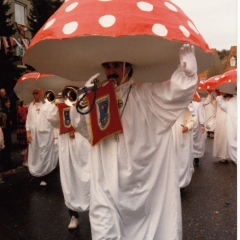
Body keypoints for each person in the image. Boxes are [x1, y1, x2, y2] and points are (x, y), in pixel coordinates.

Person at [70, 44, 198, 239]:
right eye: (107, 66)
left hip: (143, 185)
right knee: (105, 232)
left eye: (115, 66)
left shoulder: (145, 93)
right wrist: (84, 100)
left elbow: (172, 96)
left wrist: (187, 76)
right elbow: (82, 127)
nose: (110, 71)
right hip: (106, 183)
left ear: (128, 67)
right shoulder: (98, 99)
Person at [46, 99, 90, 229]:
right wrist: (55, 105)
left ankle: (92, 212)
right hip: (67, 147)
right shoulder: (60, 102)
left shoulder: (85, 100)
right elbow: (52, 120)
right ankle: (73, 216)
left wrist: (80, 104)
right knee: (70, 181)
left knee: (88, 179)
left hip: (84, 146)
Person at [26, 89, 59, 186]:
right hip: (33, 136)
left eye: (36, 93)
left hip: (45, 135)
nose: (34, 95)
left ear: (40, 94)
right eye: (33, 93)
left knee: (44, 155)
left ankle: (44, 176)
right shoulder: (31, 105)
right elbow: (28, 120)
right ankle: (36, 175)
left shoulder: (46, 105)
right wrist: (27, 132)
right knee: (35, 155)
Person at [172, 108, 195, 188]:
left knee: (181, 162)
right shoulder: (164, 106)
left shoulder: (184, 109)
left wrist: (187, 127)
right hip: (169, 141)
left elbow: (191, 121)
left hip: (181, 140)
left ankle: (180, 184)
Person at [216, 91, 237, 164]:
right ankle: (226, 156)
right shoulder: (232, 100)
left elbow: (223, 106)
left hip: (231, 124)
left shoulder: (232, 100)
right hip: (225, 123)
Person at [213, 92, 233, 163]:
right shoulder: (219, 98)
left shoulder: (232, 99)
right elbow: (212, 103)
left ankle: (231, 156)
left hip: (229, 121)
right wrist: (210, 94)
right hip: (220, 122)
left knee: (230, 138)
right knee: (222, 138)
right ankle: (224, 156)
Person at [188, 100, 206, 165]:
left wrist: (202, 125)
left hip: (196, 126)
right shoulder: (183, 103)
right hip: (187, 125)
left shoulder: (198, 104)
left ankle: (196, 157)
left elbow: (200, 115)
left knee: (196, 142)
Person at [1, 97, 14, 170]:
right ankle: (6, 164)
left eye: (9, 102)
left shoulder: (9, 110)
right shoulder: (4, 111)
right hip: (5, 132)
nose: (8, 103)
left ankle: (8, 163)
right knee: (5, 148)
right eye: (6, 102)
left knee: (8, 147)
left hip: (8, 132)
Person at [17, 100, 28, 167]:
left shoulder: (26, 109)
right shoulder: (21, 109)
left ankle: (27, 160)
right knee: (24, 145)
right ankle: (25, 160)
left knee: (26, 145)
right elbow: (24, 119)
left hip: (24, 128)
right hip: (22, 129)